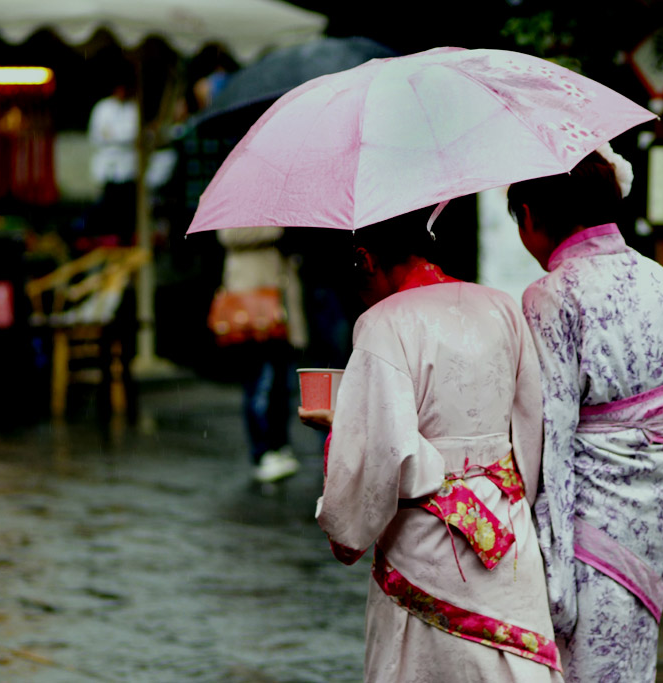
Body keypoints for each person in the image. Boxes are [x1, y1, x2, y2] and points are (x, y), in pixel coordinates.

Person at [299, 209, 564, 682]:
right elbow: (530, 424)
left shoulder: (383, 323)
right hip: (505, 531)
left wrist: (344, 428)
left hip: (424, 542)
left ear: (364, 257)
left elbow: (383, 449)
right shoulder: (500, 306)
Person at [507, 146, 663, 682]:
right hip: (654, 510)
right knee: (634, 664)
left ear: (530, 216)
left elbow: (549, 434)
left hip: (591, 516)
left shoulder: (549, 294)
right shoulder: (658, 278)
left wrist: (547, 556)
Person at [218, 225, 308, 483]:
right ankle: (262, 451)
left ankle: (280, 445)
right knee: (258, 382)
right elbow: (229, 234)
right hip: (252, 305)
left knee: (282, 383)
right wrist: (276, 228)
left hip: (280, 305)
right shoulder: (240, 197)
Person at [86, 67, 139, 245]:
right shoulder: (103, 108)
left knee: (127, 213)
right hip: (109, 169)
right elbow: (99, 135)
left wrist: (117, 136)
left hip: (128, 169)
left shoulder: (133, 108)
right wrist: (121, 136)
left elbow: (134, 134)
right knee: (108, 211)